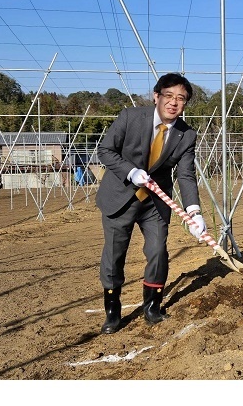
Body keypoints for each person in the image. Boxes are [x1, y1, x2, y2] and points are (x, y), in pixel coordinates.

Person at [95, 72, 207, 334]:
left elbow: (185, 174)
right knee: (114, 254)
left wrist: (194, 211)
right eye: (168, 96)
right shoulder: (130, 117)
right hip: (120, 196)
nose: (173, 103)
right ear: (156, 96)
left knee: (157, 251)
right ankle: (112, 311)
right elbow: (105, 150)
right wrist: (130, 171)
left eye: (181, 99)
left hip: (155, 201)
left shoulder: (186, 135)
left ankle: (152, 307)